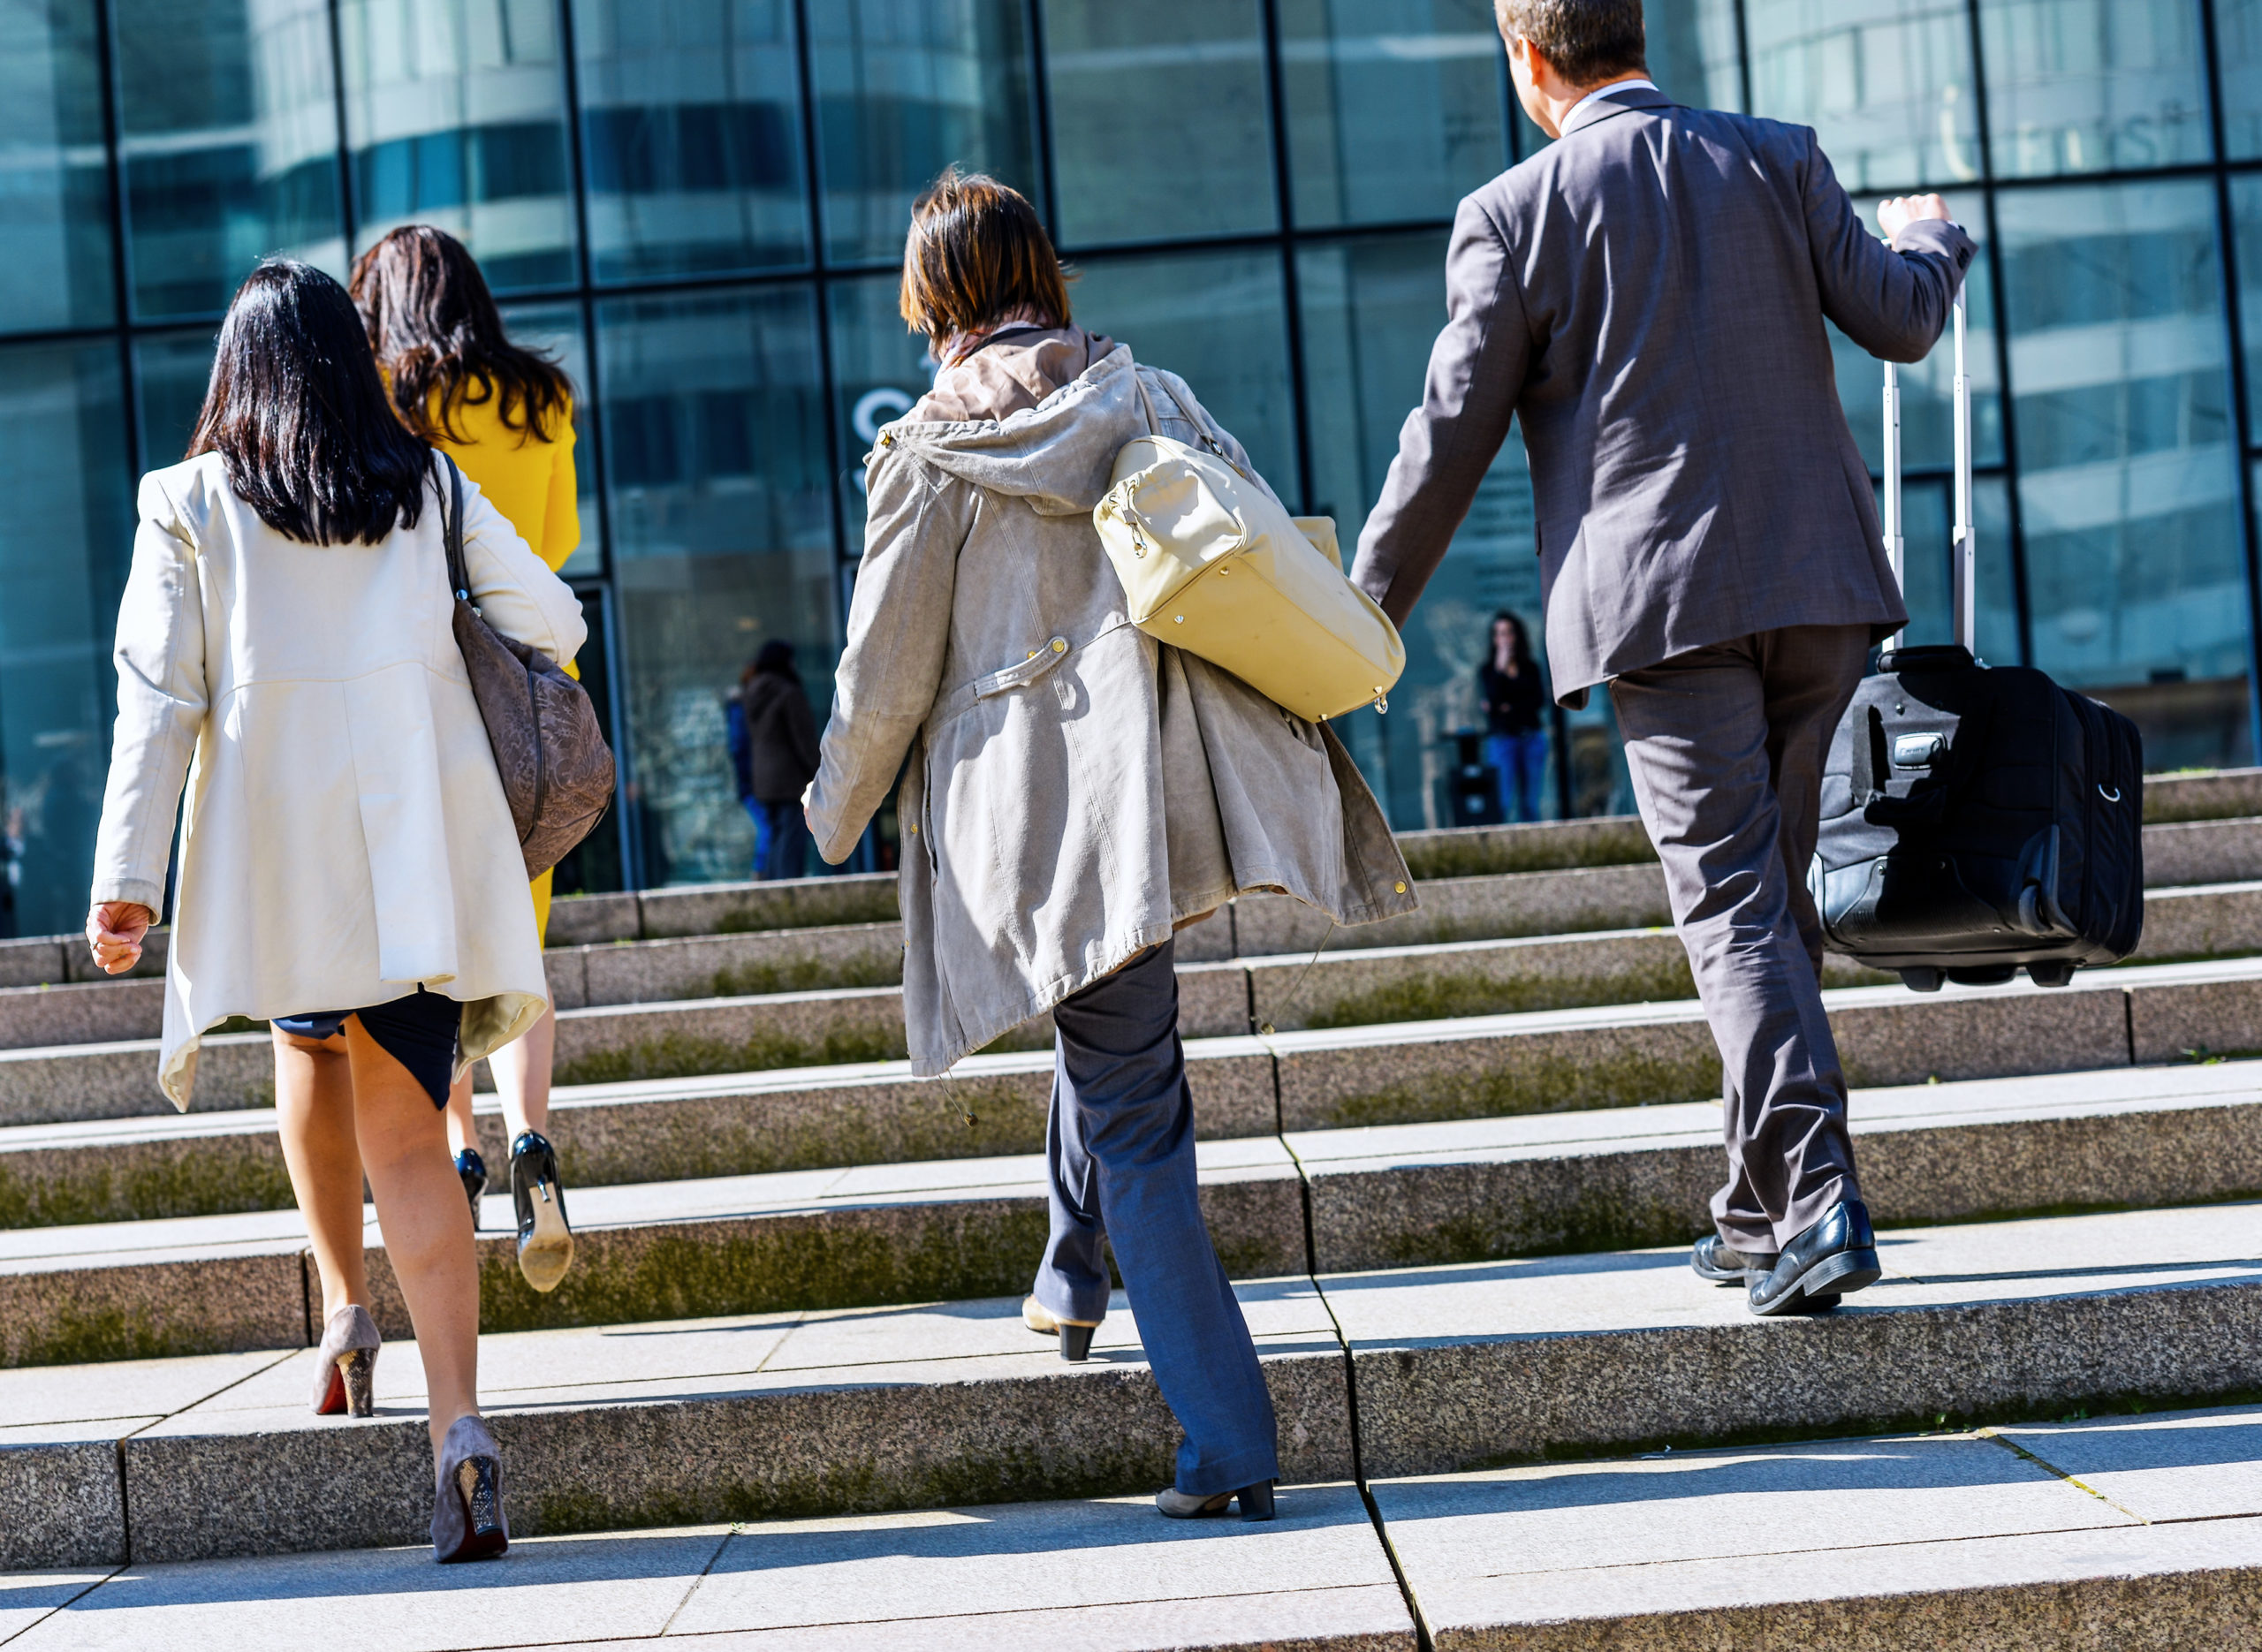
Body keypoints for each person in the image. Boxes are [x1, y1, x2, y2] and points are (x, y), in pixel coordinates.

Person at [804, 169, 1413, 1519]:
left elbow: (883, 674)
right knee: (1113, 1031)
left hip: (1047, 830)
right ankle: (1072, 1267)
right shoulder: (1151, 397)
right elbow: (1258, 545)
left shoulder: (926, 461)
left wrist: (830, 808)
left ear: (933, 301)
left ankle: (1227, 1438)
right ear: (1042, 275)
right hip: (1181, 792)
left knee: (1133, 1100)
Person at [1349, 0, 1974, 1317]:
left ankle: (1814, 1202)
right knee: (1775, 908)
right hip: (1818, 590)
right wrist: (1931, 233)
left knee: (1736, 911)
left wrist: (1362, 613)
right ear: (1638, 32)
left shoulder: (1515, 211)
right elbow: (1905, 318)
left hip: (1661, 611)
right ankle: (1755, 1206)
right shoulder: (1776, 154)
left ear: (1528, 60)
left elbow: (1446, 437)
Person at [83, 260, 584, 1560]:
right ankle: (462, 1437)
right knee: (415, 1139)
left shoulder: (188, 500)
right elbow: (554, 616)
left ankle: (346, 1317)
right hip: (413, 862)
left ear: (234, 371)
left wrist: (126, 882)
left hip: (279, 861)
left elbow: (158, 697)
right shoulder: (424, 481)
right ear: (351, 363)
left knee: (302, 1041)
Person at [350, 225, 581, 1293]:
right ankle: (533, 1135)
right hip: (527, 698)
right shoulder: (540, 398)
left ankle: (462, 1146)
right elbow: (557, 544)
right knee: (520, 941)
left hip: (426, 702)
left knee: (442, 943)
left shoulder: (385, 401)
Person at [734, 640, 819, 881]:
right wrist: (819, 771)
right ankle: (788, 891)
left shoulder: (750, 694)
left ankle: (773, 888)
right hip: (790, 779)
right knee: (792, 839)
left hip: (763, 780)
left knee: (774, 836)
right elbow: (803, 739)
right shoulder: (788, 693)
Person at [1478, 610, 1547, 822]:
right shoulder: (1488, 670)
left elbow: (1538, 701)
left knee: (1531, 802)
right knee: (1503, 801)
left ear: (1517, 635)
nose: (1504, 639)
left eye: (1508, 632)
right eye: (1498, 633)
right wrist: (1500, 669)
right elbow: (1492, 700)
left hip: (1532, 738)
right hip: (1502, 740)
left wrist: (1507, 706)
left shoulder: (1530, 668)